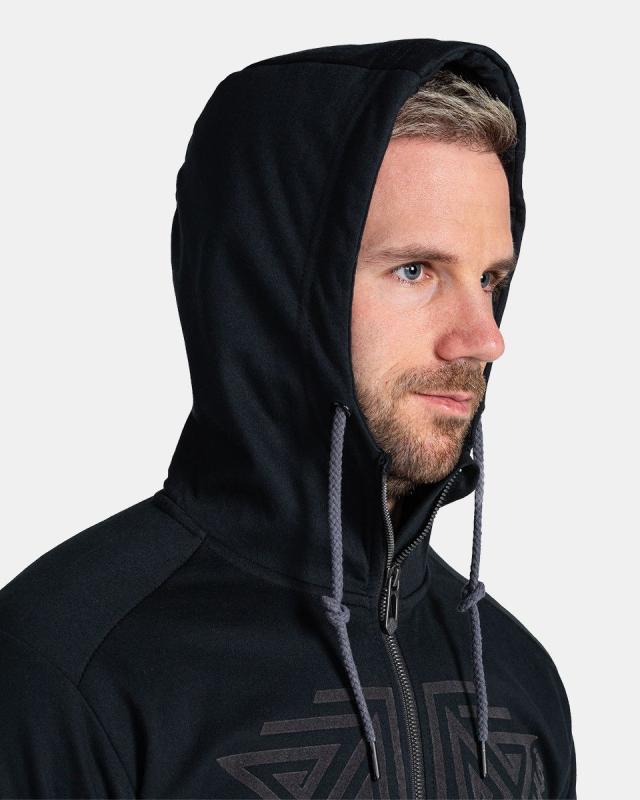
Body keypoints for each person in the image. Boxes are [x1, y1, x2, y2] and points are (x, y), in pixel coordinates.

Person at [0, 38, 576, 798]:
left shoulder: (516, 682)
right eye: (415, 271)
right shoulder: (66, 670)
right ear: (275, 286)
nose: (483, 337)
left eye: (490, 279)